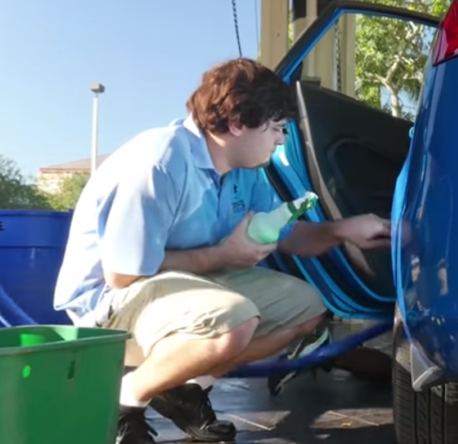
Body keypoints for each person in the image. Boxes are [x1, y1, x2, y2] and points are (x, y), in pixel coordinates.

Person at [52, 58, 392, 444]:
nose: (282, 139)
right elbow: (123, 274)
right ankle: (123, 402)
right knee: (234, 321)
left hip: (181, 284)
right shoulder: (159, 162)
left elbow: (286, 234)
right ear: (236, 123)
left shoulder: (245, 170)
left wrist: (345, 230)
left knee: (306, 307)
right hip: (106, 307)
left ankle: (180, 384)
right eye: (277, 128)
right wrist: (224, 256)